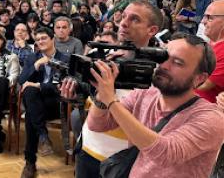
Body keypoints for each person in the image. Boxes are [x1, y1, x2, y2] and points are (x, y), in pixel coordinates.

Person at [85, 33, 223, 178]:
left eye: (178, 63)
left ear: (199, 78)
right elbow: (98, 125)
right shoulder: (144, 95)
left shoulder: (211, 118)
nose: (164, 66)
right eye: (163, 57)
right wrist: (101, 95)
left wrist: (111, 101)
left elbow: (166, 153)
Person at [60, 0, 164, 178]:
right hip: (88, 148)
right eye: (123, 16)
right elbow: (89, 89)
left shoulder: (161, 71)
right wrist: (74, 85)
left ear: (152, 30)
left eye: (135, 19)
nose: (123, 23)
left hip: (124, 160)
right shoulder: (109, 55)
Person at [19, 27, 69, 178]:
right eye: (38, 39)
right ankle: (42, 136)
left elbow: (60, 87)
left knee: (31, 111)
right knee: (29, 93)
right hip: (37, 104)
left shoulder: (64, 59)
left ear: (52, 39)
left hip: (55, 104)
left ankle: (30, 162)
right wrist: (36, 65)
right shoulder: (32, 58)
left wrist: (38, 85)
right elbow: (22, 81)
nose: (40, 41)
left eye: (44, 38)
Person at [196, 0, 224, 102]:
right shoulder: (211, 43)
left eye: (210, 17)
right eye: (204, 16)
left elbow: (204, 84)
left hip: (205, 110)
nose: (203, 21)